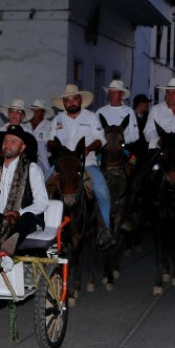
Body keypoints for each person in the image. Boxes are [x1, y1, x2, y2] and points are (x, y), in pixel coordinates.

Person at [48, 83, 112, 246]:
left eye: (74, 99)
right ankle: (41, 227)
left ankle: (104, 231)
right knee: (41, 187)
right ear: (64, 103)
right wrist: (55, 146)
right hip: (62, 165)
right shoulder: (57, 120)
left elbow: (100, 139)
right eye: (67, 100)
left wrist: (89, 148)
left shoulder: (91, 117)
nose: (71, 102)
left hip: (86, 163)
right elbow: (49, 141)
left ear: (80, 100)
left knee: (102, 192)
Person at [0, 124, 49, 252]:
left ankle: (7, 248)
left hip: (23, 219)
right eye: (6, 140)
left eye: (13, 141)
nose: (7, 144)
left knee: (27, 218)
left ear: (22, 147)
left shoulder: (32, 169)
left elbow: (42, 203)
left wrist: (18, 213)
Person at [96, 79, 140, 146]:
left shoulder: (129, 111)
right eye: (110, 93)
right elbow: (96, 132)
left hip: (123, 146)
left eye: (114, 93)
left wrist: (120, 140)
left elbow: (134, 135)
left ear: (121, 94)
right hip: (104, 147)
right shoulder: (100, 112)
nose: (111, 95)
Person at [23, 99, 53, 179]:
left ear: (43, 113)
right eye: (33, 111)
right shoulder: (24, 127)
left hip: (45, 164)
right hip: (26, 164)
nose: (34, 113)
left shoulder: (50, 126)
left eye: (37, 111)